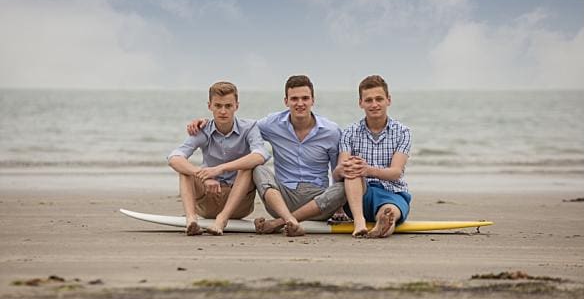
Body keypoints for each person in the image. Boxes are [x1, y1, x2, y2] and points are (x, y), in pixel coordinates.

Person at [189, 75, 345, 237]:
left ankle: (280, 223)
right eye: (294, 99)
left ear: (313, 100)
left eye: (305, 98)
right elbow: (240, 127)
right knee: (257, 167)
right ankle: (287, 219)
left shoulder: (331, 131)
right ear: (286, 101)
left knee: (344, 186)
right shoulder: (272, 124)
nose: (300, 103)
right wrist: (208, 122)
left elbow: (336, 170)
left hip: (318, 202)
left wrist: (339, 207)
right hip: (281, 200)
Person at [167, 81, 268, 236]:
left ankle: (222, 220)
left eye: (228, 106)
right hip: (208, 197)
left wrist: (220, 168)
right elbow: (174, 158)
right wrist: (202, 175)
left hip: (238, 203)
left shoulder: (249, 128)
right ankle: (191, 220)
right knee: (184, 169)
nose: (223, 111)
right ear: (210, 106)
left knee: (247, 166)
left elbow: (260, 155)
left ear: (236, 106)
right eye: (218, 106)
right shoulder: (202, 130)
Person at [337, 75, 414, 238]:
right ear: (361, 103)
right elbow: (338, 172)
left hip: (393, 192)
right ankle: (359, 223)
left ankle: (383, 224)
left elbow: (396, 172)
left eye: (379, 99)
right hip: (358, 196)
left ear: (388, 100)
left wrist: (368, 170)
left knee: (389, 211)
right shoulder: (349, 132)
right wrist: (346, 168)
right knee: (352, 169)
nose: (374, 104)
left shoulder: (403, 132)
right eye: (369, 100)